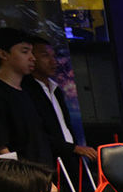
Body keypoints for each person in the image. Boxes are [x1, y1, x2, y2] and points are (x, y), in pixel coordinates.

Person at [0, 28, 56, 166]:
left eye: (31, 52)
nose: (32, 58)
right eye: (24, 51)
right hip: (22, 174)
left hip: (42, 169)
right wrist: (21, 176)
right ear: (3, 54)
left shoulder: (26, 90)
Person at [22, 35, 97, 165]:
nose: (53, 61)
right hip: (46, 161)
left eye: (54, 56)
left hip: (69, 156)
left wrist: (73, 148)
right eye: (45, 56)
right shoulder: (26, 92)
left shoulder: (56, 89)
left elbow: (65, 126)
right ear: (31, 58)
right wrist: (72, 148)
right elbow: (36, 134)